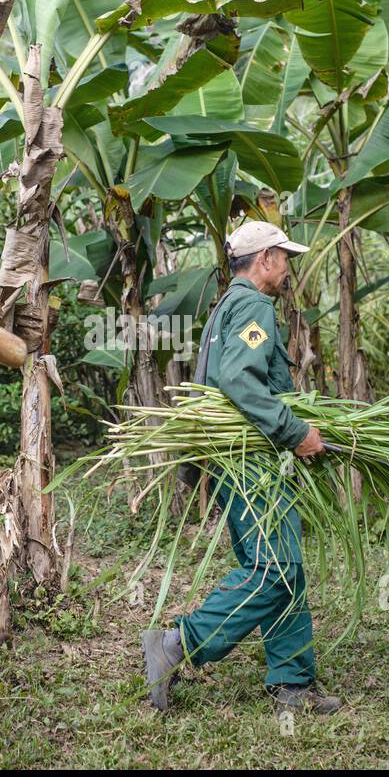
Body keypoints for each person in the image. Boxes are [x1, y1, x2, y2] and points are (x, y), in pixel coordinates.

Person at [142, 220, 340, 714]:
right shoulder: (253, 305)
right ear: (265, 259)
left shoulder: (224, 308)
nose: (288, 267)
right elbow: (237, 379)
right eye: (284, 256)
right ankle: (177, 645)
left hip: (243, 460)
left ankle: (292, 684)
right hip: (251, 462)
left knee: (286, 568)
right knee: (273, 569)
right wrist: (297, 433)